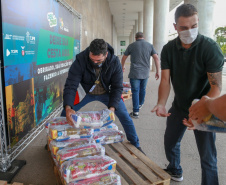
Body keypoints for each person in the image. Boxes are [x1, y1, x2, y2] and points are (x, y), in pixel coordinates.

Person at [151, 4, 224, 184]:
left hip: (204, 107)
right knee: (170, 143)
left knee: (208, 157)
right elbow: (165, 81)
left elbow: (216, 88)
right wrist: (161, 102)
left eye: (193, 26)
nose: (189, 31)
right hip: (179, 106)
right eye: (183, 28)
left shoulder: (210, 48)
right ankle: (175, 169)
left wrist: (200, 112)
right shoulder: (168, 49)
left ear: (198, 22)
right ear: (175, 27)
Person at [61, 38, 144, 154]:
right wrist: (68, 106)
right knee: (65, 113)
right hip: (86, 92)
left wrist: (112, 108)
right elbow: (71, 84)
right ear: (89, 52)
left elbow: (117, 87)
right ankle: (56, 139)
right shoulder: (80, 60)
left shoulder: (115, 62)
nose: (95, 63)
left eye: (98, 60)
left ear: (106, 54)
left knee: (124, 115)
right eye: (92, 59)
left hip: (107, 92)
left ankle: (136, 144)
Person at [121, 32, 160, 119]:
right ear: (143, 37)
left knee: (135, 91)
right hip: (145, 72)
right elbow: (156, 58)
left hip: (134, 72)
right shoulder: (150, 45)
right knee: (142, 89)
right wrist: (158, 71)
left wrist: (122, 66)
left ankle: (135, 112)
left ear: (136, 37)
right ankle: (140, 104)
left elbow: (124, 57)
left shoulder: (131, 45)